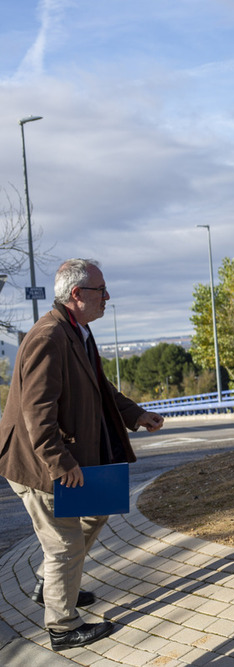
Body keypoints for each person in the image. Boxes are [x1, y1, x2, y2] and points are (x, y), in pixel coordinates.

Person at [0, 259, 164, 651]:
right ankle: (62, 626)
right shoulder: (48, 337)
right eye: (101, 291)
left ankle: (48, 584)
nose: (107, 297)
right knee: (64, 545)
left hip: (64, 458)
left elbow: (98, 384)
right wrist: (61, 463)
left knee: (95, 513)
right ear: (77, 295)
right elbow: (37, 411)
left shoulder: (76, 330)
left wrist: (135, 415)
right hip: (37, 464)